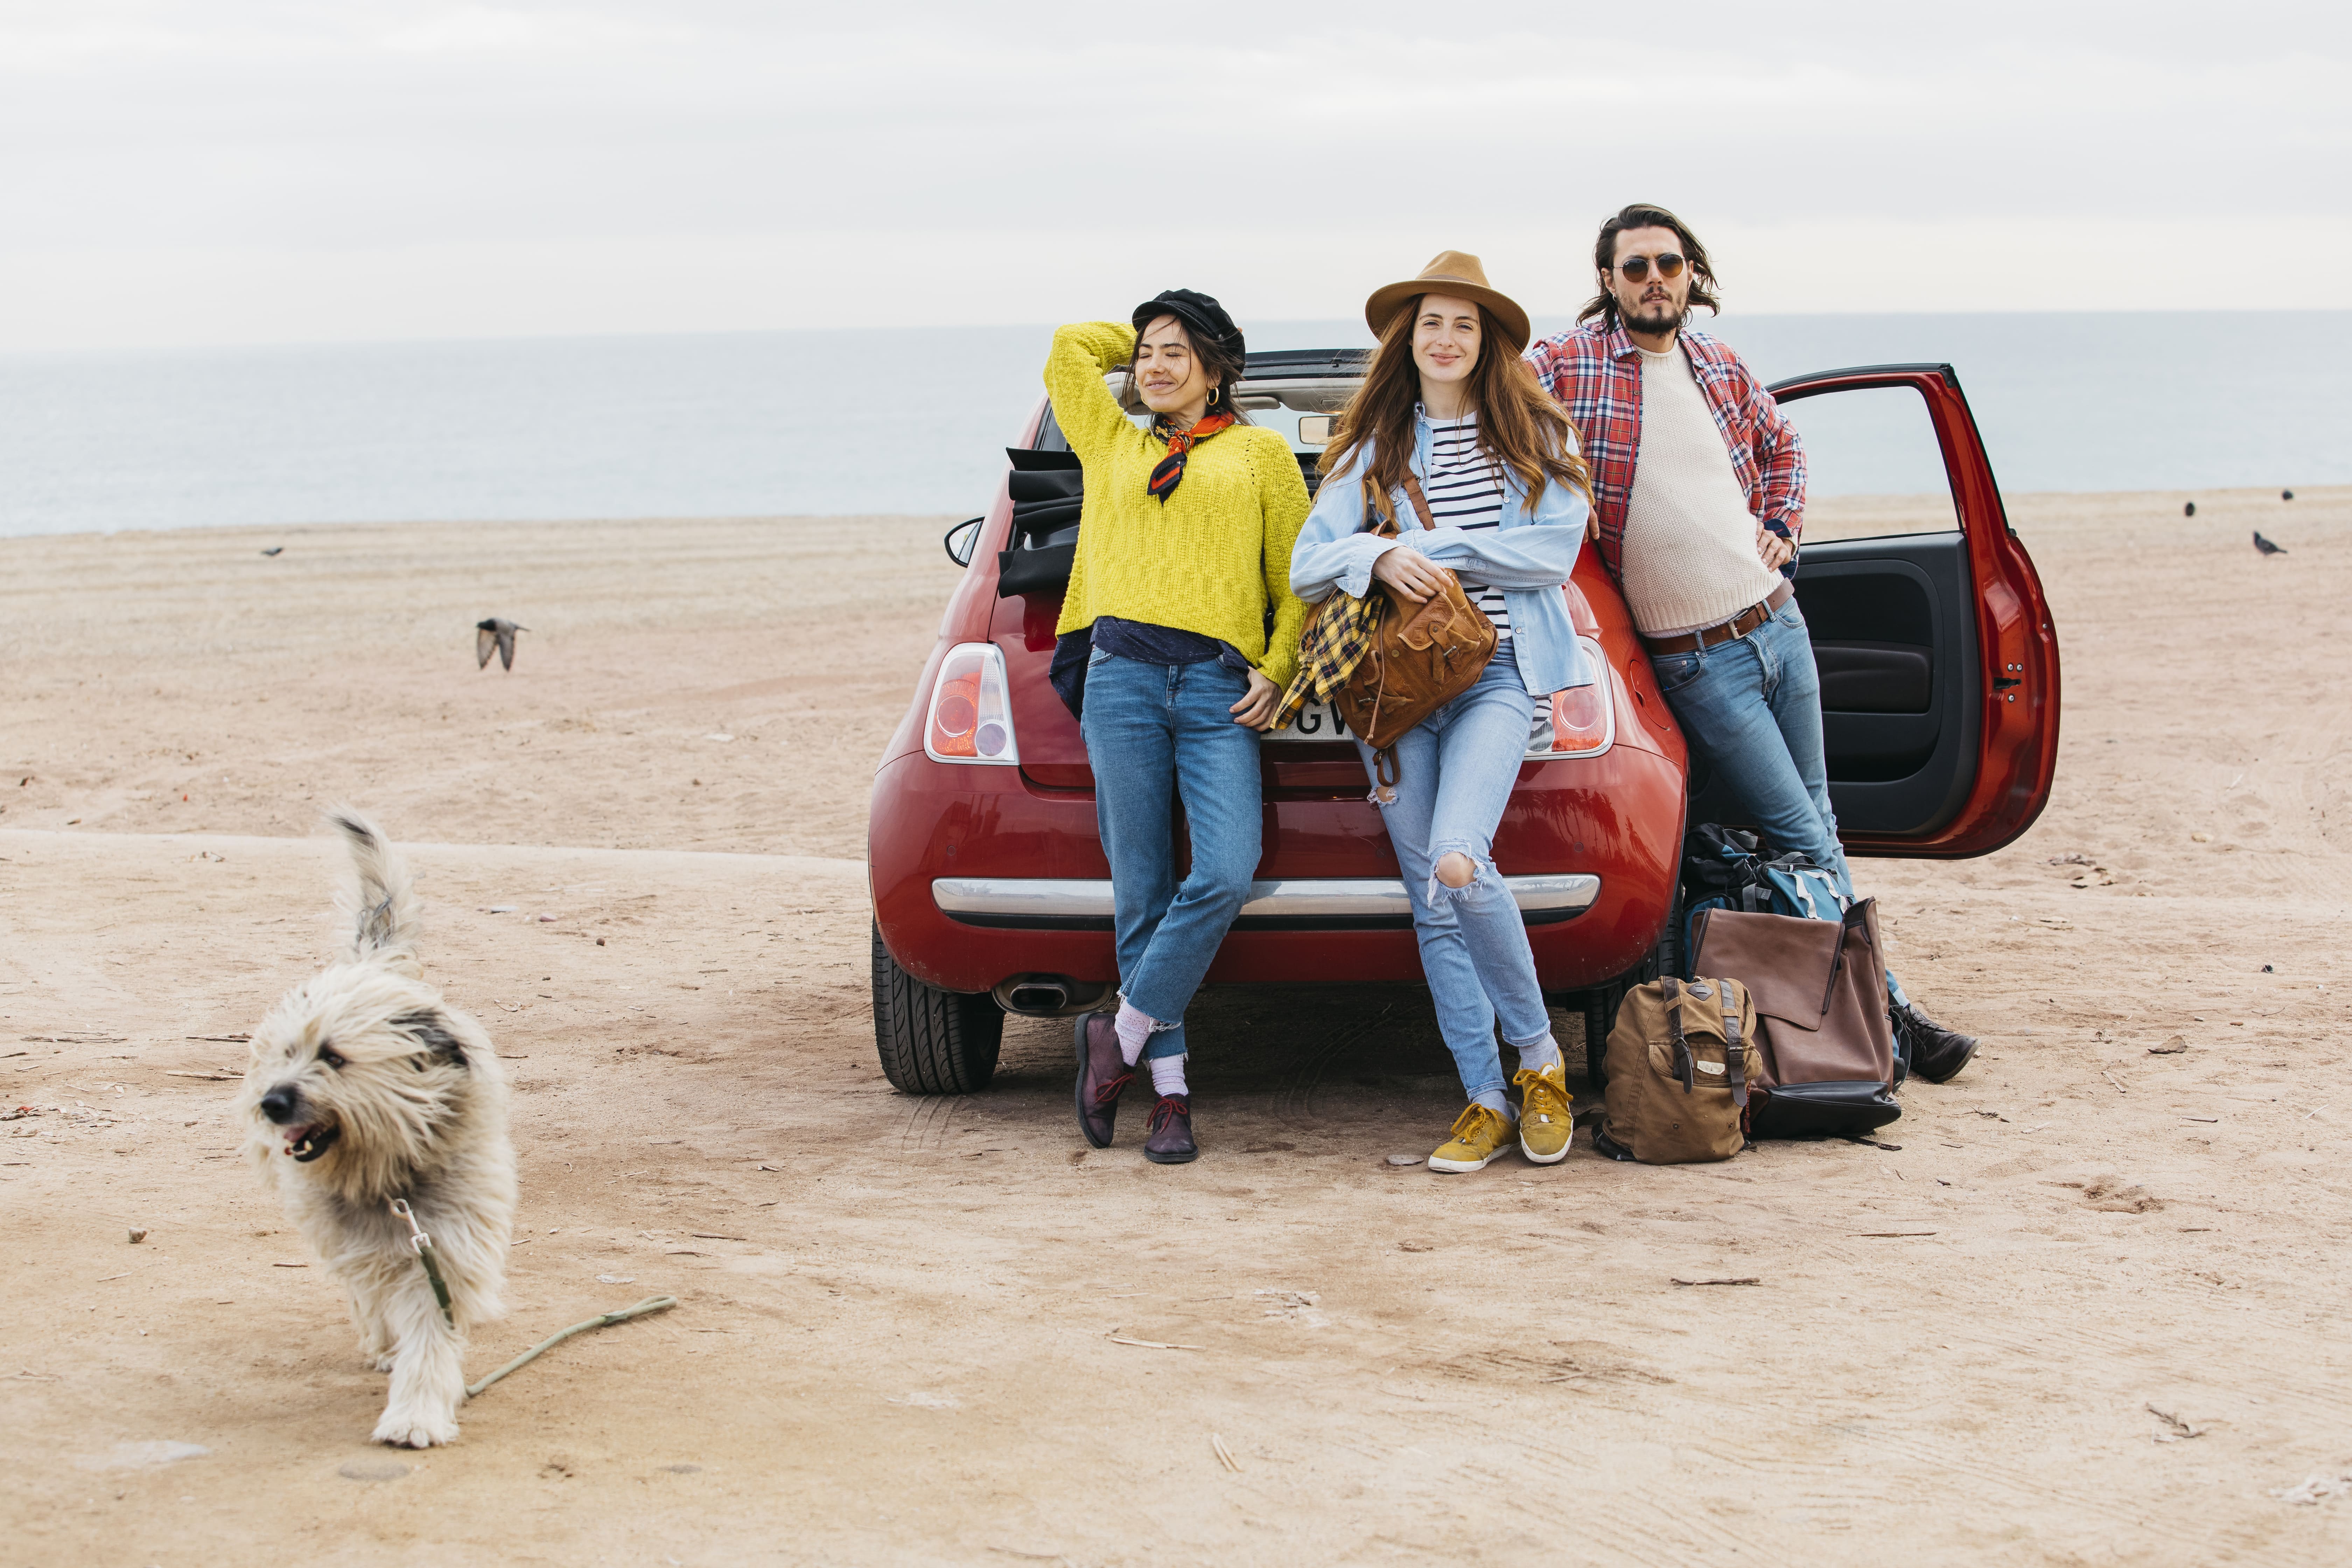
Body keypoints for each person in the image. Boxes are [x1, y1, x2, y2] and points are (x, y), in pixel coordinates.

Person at [1522, 203, 1978, 1082]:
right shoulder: (1573, 363)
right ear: (1608, 282)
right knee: (1804, 837)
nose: (1653, 280)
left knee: (1821, 822)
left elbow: (1785, 445)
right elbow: (1491, 390)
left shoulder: (1718, 364)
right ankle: (1896, 1012)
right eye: (1634, 268)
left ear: (1691, 272)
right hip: (1698, 659)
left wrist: (1782, 524)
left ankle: (1874, 1003)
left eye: (1667, 264)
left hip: (1778, 624)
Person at [1285, 252, 1594, 1173]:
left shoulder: (1532, 439)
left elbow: (1553, 553)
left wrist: (1428, 544)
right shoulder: (1375, 451)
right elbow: (1308, 561)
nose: (1446, 338)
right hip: (1395, 698)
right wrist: (1372, 561)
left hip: (1495, 677)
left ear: (1488, 340)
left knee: (1461, 864)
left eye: (1464, 324)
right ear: (1407, 341)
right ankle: (1483, 1099)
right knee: (1431, 902)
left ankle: (1541, 1063)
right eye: (1431, 324)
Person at [1048, 290, 1310, 1164]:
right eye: (1148, 353)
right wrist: (1141, 332)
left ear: (1217, 366)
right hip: (1120, 682)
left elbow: (1298, 581)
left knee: (1227, 870)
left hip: (1214, 690)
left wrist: (1279, 668)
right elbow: (1066, 350)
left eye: (1177, 352)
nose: (1155, 367)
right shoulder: (1113, 441)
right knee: (1142, 889)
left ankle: (1115, 1036)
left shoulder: (1262, 454)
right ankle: (1170, 1096)